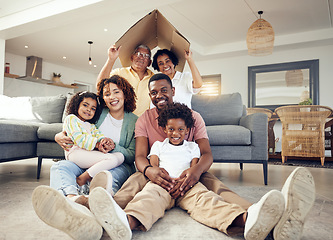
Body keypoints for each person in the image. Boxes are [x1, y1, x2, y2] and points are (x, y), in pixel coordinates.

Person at [87, 73, 316, 240]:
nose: (160, 96)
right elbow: (140, 157)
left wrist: (194, 173)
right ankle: (99, 214)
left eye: (164, 90)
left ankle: (256, 215)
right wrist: (150, 171)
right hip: (157, 175)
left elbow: (206, 154)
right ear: (149, 96)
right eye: (154, 92)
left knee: (212, 189)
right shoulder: (145, 119)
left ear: (173, 91)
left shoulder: (192, 117)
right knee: (137, 184)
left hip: (190, 174)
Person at [31, 75, 138, 240]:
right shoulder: (97, 112)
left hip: (116, 164)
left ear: (125, 94)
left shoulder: (134, 121)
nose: (112, 97)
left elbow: (132, 154)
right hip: (87, 157)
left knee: (107, 177)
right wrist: (59, 135)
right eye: (107, 94)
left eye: (116, 92)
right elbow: (75, 127)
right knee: (60, 167)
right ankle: (72, 200)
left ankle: (95, 210)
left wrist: (111, 146)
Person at [63, 91, 124, 186]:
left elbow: (99, 135)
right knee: (112, 159)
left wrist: (105, 142)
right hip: (75, 153)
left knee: (120, 156)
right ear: (77, 105)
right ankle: (82, 179)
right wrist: (97, 144)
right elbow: (79, 139)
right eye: (85, 105)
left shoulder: (90, 125)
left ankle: (92, 177)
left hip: (87, 152)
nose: (88, 110)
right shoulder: (71, 119)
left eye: (93, 108)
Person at [97, 44, 154, 116]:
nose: (141, 57)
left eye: (146, 56)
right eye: (138, 54)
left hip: (143, 123)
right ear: (132, 57)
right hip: (120, 120)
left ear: (149, 62)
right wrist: (111, 59)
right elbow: (100, 85)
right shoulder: (119, 73)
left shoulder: (154, 79)